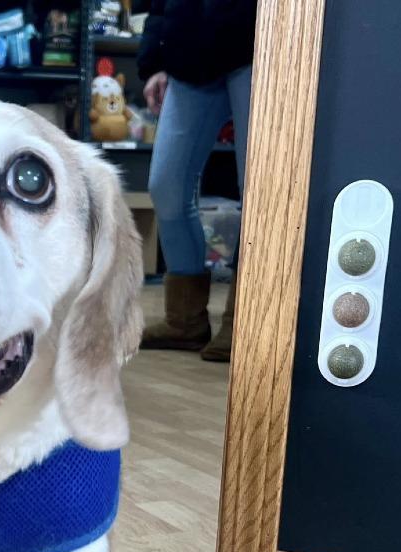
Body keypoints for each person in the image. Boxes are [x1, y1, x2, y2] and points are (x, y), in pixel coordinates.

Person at [136, 1, 258, 360]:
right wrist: (154, 62)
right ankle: (185, 321)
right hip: (188, 56)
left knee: (257, 187)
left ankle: (244, 320)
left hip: (257, 46)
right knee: (166, 187)